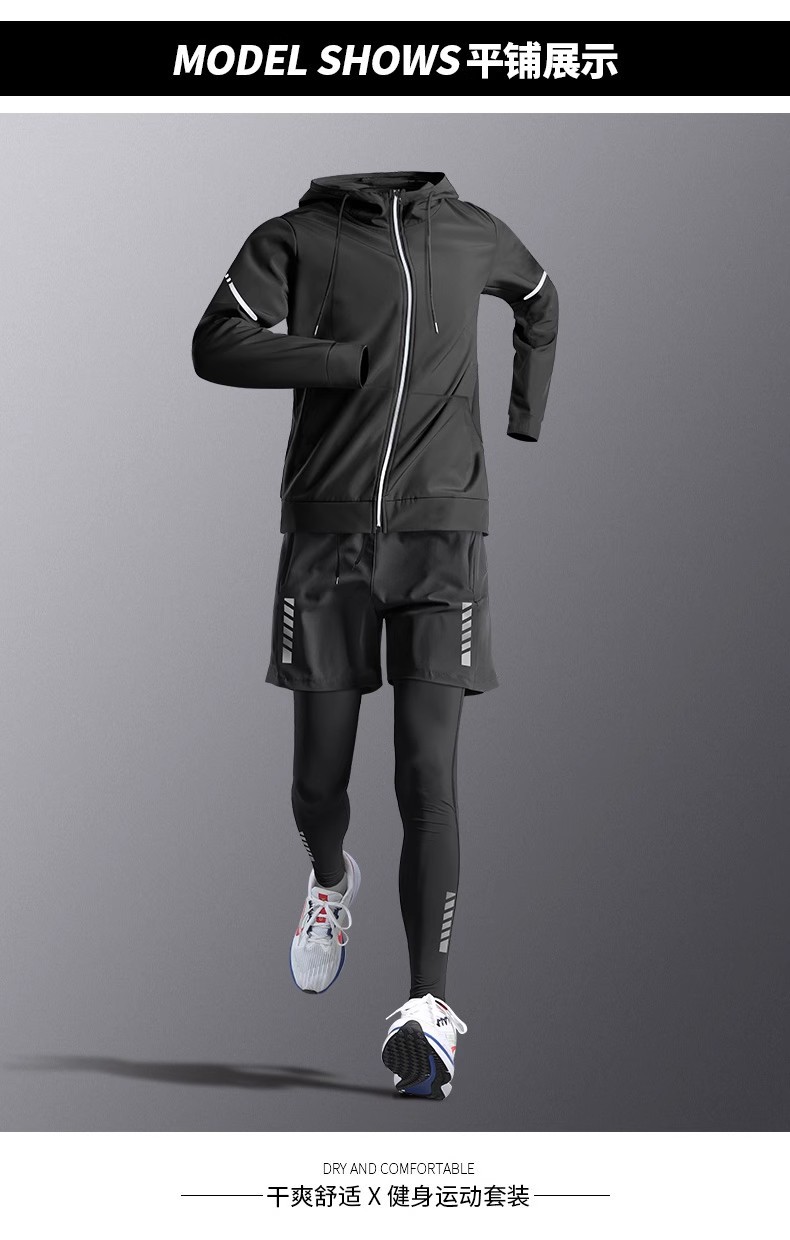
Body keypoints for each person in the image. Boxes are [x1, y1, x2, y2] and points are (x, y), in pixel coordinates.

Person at [192, 171, 558, 1099]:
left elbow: (541, 298)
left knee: (428, 779)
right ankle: (329, 878)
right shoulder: (295, 236)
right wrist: (337, 362)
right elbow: (216, 341)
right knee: (317, 783)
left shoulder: (473, 230)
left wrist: (523, 417)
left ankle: (428, 1009)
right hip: (328, 541)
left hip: (443, 540)